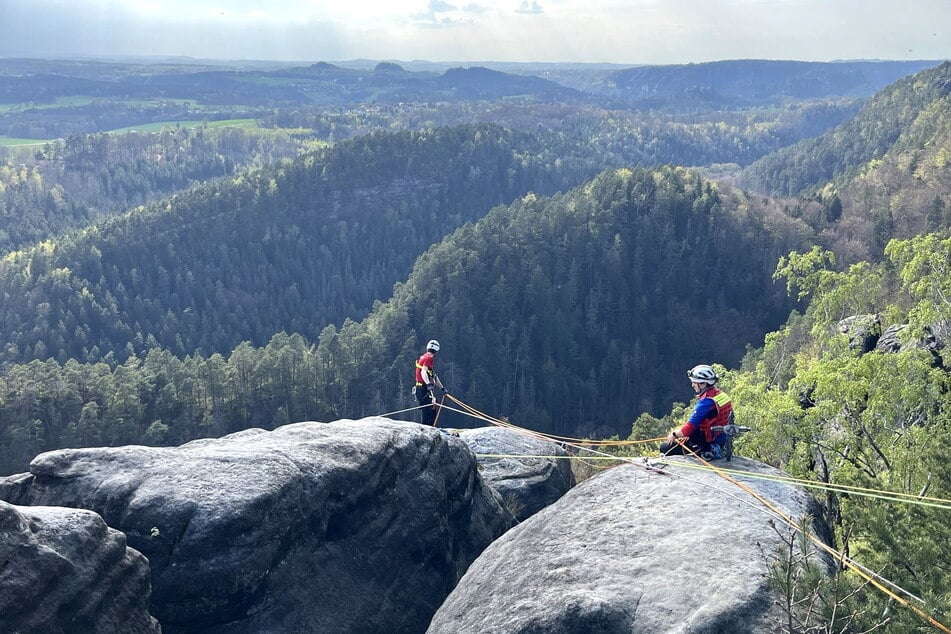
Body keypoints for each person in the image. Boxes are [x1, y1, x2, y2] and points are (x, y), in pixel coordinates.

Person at [659, 364, 733, 460]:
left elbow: (688, 429)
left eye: (694, 382)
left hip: (706, 443)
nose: (692, 385)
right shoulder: (722, 395)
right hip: (722, 439)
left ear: (703, 384)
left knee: (665, 447)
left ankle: (707, 452)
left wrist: (674, 434)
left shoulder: (706, 402)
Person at [414, 339, 446, 426]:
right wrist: (428, 384)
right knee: (428, 412)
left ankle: (430, 429)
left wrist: (442, 388)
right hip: (422, 389)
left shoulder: (424, 357)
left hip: (421, 389)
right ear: (436, 351)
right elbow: (423, 372)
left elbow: (434, 376)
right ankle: (426, 431)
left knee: (432, 409)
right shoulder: (429, 359)